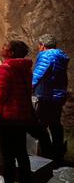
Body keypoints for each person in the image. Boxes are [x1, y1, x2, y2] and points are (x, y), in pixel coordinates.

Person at [0, 40, 41, 183]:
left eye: (5, 46)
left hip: (7, 117)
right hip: (22, 116)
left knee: (7, 156)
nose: (2, 48)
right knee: (22, 154)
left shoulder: (5, 67)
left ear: (11, 53)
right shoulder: (26, 69)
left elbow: (0, 94)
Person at [32, 34, 70, 164]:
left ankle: (48, 154)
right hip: (58, 96)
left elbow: (38, 73)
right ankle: (58, 153)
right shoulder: (60, 56)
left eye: (39, 45)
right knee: (55, 125)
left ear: (42, 45)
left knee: (39, 126)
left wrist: (29, 87)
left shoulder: (46, 55)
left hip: (46, 96)